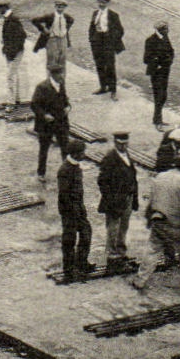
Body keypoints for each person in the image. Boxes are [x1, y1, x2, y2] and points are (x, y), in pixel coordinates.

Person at [130, 149, 180, 295]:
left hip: (158, 220)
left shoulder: (160, 176)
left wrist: (148, 218)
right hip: (176, 225)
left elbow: (151, 200)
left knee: (152, 250)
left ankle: (140, 280)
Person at [97, 131, 139, 267]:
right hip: (115, 201)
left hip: (128, 197)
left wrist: (134, 197)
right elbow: (102, 181)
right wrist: (111, 199)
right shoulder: (110, 158)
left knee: (124, 226)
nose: (123, 146)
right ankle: (112, 254)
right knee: (113, 227)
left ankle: (121, 251)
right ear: (115, 143)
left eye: (126, 144)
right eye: (120, 144)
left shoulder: (127, 156)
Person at [57, 139, 93, 281]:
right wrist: (74, 212)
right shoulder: (65, 170)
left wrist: (81, 210)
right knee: (69, 240)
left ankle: (81, 262)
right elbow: (64, 195)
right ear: (75, 154)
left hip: (78, 208)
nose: (84, 154)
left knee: (86, 233)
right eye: (82, 152)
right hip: (69, 211)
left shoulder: (75, 166)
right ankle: (69, 269)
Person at [31, 61, 70, 182]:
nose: (62, 76)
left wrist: (68, 107)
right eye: (59, 74)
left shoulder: (61, 85)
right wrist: (44, 115)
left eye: (62, 73)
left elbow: (65, 100)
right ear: (53, 75)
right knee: (44, 148)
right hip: (46, 125)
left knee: (65, 147)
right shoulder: (42, 87)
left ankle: (67, 172)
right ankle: (41, 173)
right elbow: (34, 105)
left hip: (61, 121)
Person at [87, 0, 124, 98]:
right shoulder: (95, 13)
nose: (101, 5)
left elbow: (120, 30)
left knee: (110, 66)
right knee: (99, 65)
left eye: (103, 3)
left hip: (108, 42)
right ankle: (103, 87)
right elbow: (91, 27)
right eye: (99, 2)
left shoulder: (113, 15)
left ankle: (113, 90)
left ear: (107, 4)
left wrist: (111, 40)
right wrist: (92, 38)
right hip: (97, 42)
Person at [143, 21, 174, 126]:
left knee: (163, 96)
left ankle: (157, 118)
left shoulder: (165, 38)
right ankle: (157, 120)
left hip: (165, 71)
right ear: (161, 30)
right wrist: (158, 63)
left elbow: (171, 52)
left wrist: (167, 62)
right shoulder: (150, 41)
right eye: (166, 29)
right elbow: (146, 59)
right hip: (156, 72)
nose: (168, 31)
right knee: (159, 96)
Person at [0, 2, 28, 105]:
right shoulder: (8, 19)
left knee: (10, 76)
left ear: (5, 8)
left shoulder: (12, 19)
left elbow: (23, 36)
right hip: (11, 51)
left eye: (0, 8)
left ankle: (11, 102)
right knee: (14, 74)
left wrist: (13, 51)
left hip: (15, 52)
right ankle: (17, 98)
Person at [33, 0, 73, 72]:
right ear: (55, 7)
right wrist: (43, 29)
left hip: (63, 40)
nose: (60, 8)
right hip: (52, 40)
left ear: (65, 8)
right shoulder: (50, 16)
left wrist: (66, 29)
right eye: (58, 6)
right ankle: (50, 80)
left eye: (62, 6)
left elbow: (71, 21)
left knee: (62, 60)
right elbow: (34, 20)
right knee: (52, 61)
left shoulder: (66, 17)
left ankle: (61, 81)